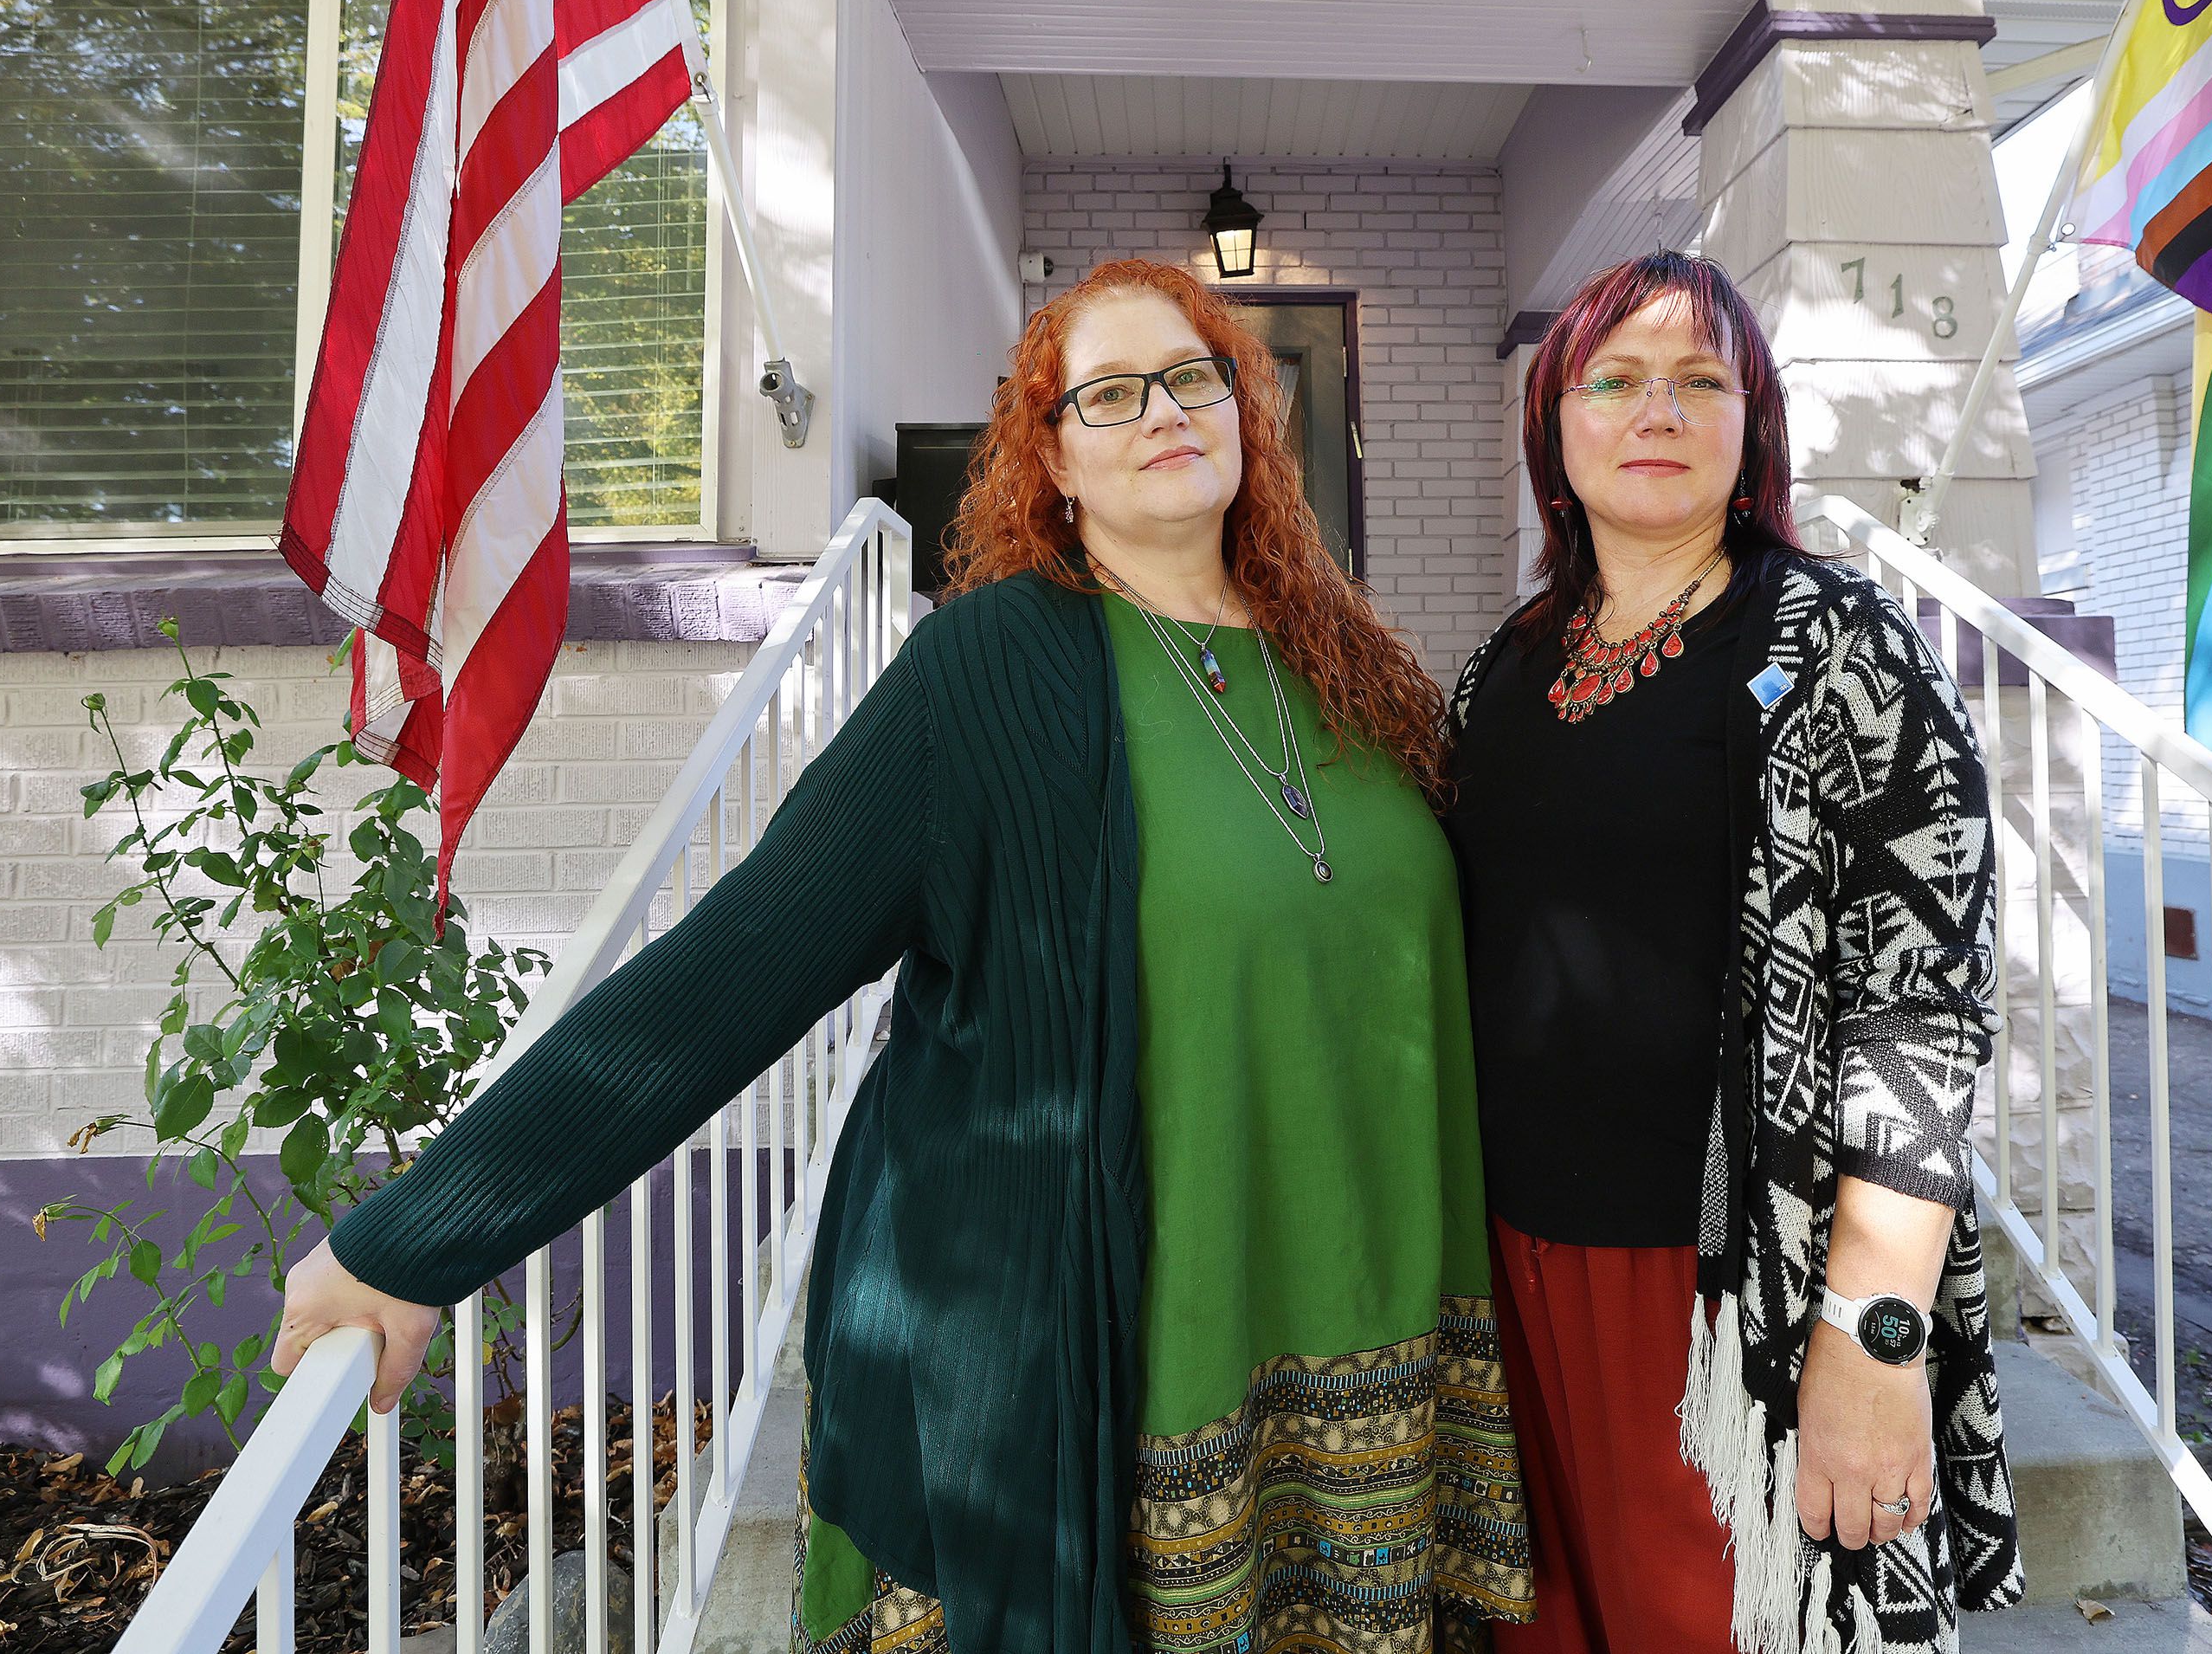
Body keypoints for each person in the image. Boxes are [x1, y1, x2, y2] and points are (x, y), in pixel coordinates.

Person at [270, 258, 1535, 1654]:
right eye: (1107, 395)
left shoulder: (1339, 651)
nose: (1164, 412)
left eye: (1192, 377)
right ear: (1049, 456)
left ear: (1244, 409)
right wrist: (421, 1234)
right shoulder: (985, 679)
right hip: (1121, 1341)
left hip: (1370, 1296)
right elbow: (729, 972)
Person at [1439, 252, 2023, 1654]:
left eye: (1703, 381)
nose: (1659, 409)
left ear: (1752, 424)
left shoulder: (1839, 648)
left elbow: (1924, 1009)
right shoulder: (1505, 666)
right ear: (1555, 427)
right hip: (1512, 1273)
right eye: (1618, 379)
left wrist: (1872, 1333)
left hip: (1728, 1298)